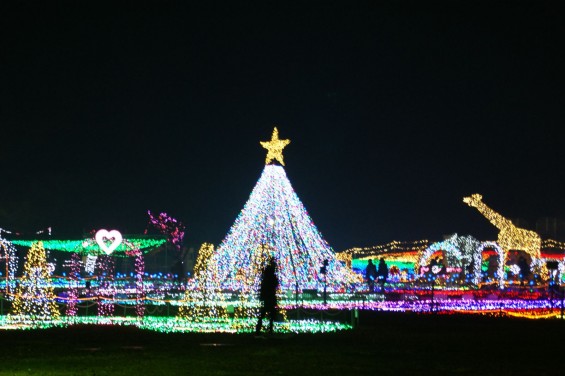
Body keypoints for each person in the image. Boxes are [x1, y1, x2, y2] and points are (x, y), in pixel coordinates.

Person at [255, 257, 279, 336]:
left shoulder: (266, 278)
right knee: (270, 314)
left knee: (265, 314)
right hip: (270, 297)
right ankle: (269, 330)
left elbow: (264, 287)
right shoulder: (270, 277)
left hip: (268, 297)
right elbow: (275, 284)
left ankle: (260, 329)